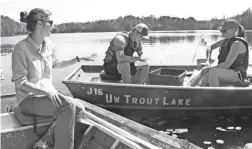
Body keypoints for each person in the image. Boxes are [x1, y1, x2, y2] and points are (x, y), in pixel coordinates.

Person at [12, 8, 96, 149]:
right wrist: (47, 92)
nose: (53, 25)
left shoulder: (50, 46)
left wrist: (78, 59)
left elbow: (56, 63)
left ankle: (43, 142)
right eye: (50, 22)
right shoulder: (20, 49)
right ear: (40, 23)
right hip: (28, 99)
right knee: (68, 105)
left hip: (47, 96)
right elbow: (21, 83)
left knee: (79, 108)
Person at [188, 19, 249, 87]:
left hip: (238, 74)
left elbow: (226, 65)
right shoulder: (225, 41)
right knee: (208, 72)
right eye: (221, 31)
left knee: (213, 71)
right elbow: (209, 47)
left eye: (224, 31)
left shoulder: (237, 44)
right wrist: (208, 61)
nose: (222, 33)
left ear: (234, 30)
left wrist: (208, 68)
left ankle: (214, 95)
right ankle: (201, 91)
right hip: (227, 71)